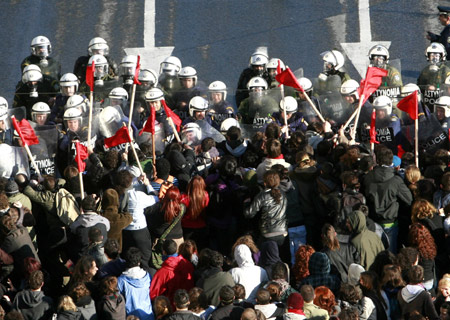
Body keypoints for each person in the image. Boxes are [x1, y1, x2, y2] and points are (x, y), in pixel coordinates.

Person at [364, 147, 413, 253]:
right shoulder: (396, 180)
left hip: (375, 222)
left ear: (377, 160)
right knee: (390, 256)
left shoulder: (368, 177)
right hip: (387, 222)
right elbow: (409, 199)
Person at [244, 170, 288, 246]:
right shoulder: (283, 194)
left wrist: (246, 203)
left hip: (267, 233)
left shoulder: (262, 195)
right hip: (283, 232)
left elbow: (249, 213)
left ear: (265, 182)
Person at [150, 239, 195, 304]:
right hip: (186, 304)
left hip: (169, 307)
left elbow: (153, 294)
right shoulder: (188, 265)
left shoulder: (162, 272)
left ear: (164, 252)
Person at [117, 247, 154, 320]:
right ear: (139, 262)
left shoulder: (121, 281)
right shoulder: (147, 277)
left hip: (131, 317)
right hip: (148, 315)